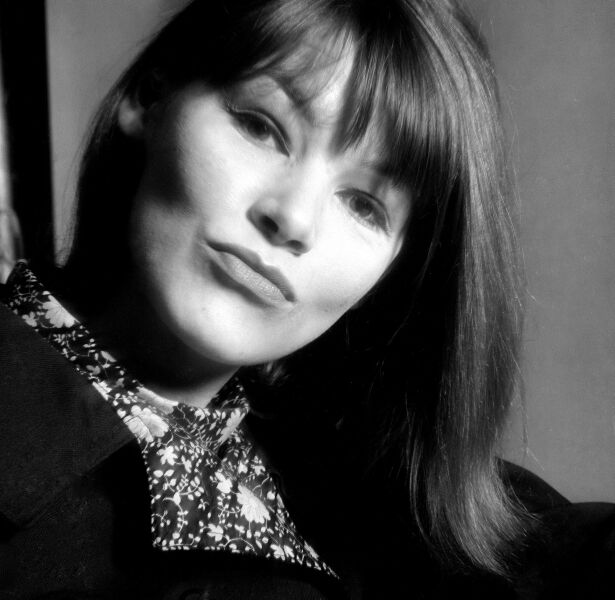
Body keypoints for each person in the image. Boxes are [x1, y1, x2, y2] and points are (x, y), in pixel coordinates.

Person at [0, 0, 613, 598]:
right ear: (151, 96)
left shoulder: (374, 501)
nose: (293, 218)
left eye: (364, 205)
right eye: (261, 127)